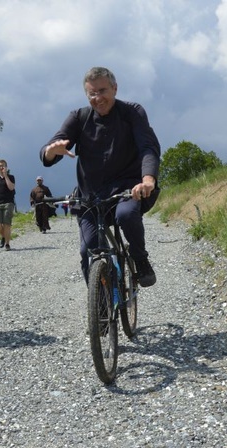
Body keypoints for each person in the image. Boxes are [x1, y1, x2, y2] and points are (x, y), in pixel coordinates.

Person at [40, 66, 160, 287]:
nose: (98, 98)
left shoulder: (132, 113)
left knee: (125, 215)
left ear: (115, 88)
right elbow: (54, 145)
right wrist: (50, 151)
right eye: (92, 93)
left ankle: (140, 259)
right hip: (90, 196)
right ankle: (101, 310)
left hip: (127, 190)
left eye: (102, 90)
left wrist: (148, 179)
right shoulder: (79, 117)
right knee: (88, 251)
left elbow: (148, 147)